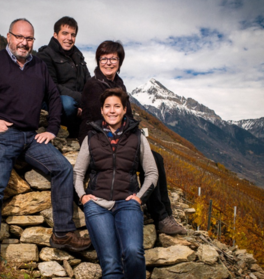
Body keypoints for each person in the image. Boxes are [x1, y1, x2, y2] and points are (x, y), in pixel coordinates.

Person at [0, 18, 91, 273]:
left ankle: (63, 233)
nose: (24, 42)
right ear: (9, 37)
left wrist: (52, 129)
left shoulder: (39, 66)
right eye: (19, 37)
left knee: (63, 169)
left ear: (33, 41)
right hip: (3, 135)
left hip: (31, 137)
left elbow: (54, 98)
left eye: (29, 38)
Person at [79, 40, 186, 236]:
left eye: (114, 58)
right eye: (104, 58)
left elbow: (126, 119)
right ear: (98, 61)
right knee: (152, 161)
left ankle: (165, 214)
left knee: (156, 160)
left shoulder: (118, 83)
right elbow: (100, 121)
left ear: (120, 61)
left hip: (119, 138)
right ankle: (161, 216)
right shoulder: (93, 86)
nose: (109, 62)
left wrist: (134, 136)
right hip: (99, 141)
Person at [74, 87, 156, 279]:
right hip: (97, 205)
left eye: (117, 106)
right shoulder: (91, 136)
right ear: (101, 110)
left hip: (127, 202)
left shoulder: (137, 136)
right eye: (107, 106)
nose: (112, 111)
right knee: (110, 262)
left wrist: (139, 198)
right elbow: (78, 173)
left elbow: (152, 173)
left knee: (132, 252)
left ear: (124, 109)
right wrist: (83, 197)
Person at [37, 16, 90, 137]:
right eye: (65, 33)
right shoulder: (45, 55)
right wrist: (81, 100)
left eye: (73, 35)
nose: (69, 38)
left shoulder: (78, 55)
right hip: (55, 101)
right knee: (68, 104)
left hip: (79, 102)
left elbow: (89, 81)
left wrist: (89, 100)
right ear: (55, 35)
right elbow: (52, 86)